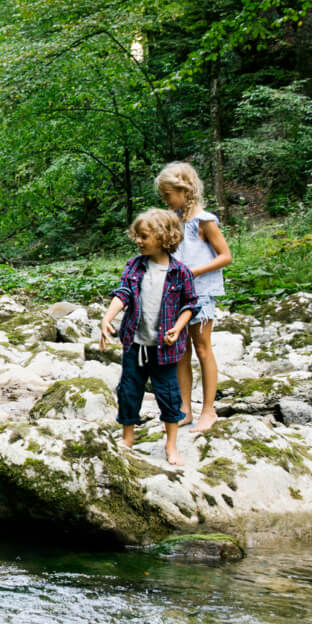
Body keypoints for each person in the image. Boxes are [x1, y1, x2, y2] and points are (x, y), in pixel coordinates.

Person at [98, 209, 199, 467]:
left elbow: (190, 305)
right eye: (137, 236)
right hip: (135, 344)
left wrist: (177, 328)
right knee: (129, 391)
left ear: (164, 237)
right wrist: (107, 318)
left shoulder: (181, 272)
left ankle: (171, 444)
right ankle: (128, 437)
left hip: (165, 349)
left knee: (169, 394)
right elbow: (124, 294)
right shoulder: (134, 266)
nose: (138, 241)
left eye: (144, 236)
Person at [155, 161, 232, 433]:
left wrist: (196, 271)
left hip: (201, 294)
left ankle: (209, 410)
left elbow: (226, 256)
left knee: (202, 348)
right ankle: (184, 409)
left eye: (168, 195)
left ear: (184, 190)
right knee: (181, 352)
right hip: (178, 295)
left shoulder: (204, 221)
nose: (166, 200)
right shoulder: (175, 221)